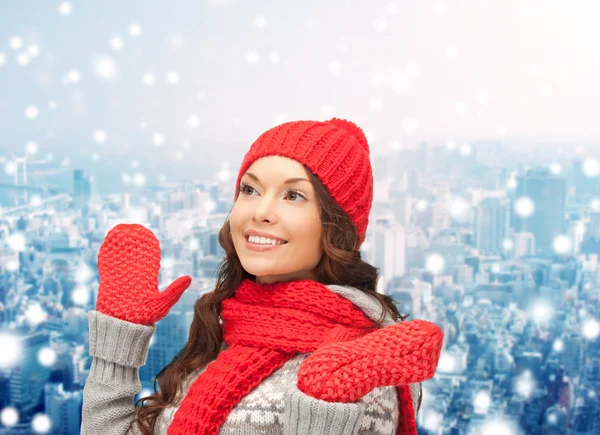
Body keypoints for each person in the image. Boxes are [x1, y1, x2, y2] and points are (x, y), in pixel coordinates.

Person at [81, 118, 444, 435]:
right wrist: (117, 342)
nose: (262, 211)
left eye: (294, 195)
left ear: (336, 226)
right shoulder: (222, 337)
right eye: (250, 190)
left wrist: (325, 412)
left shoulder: (365, 369)